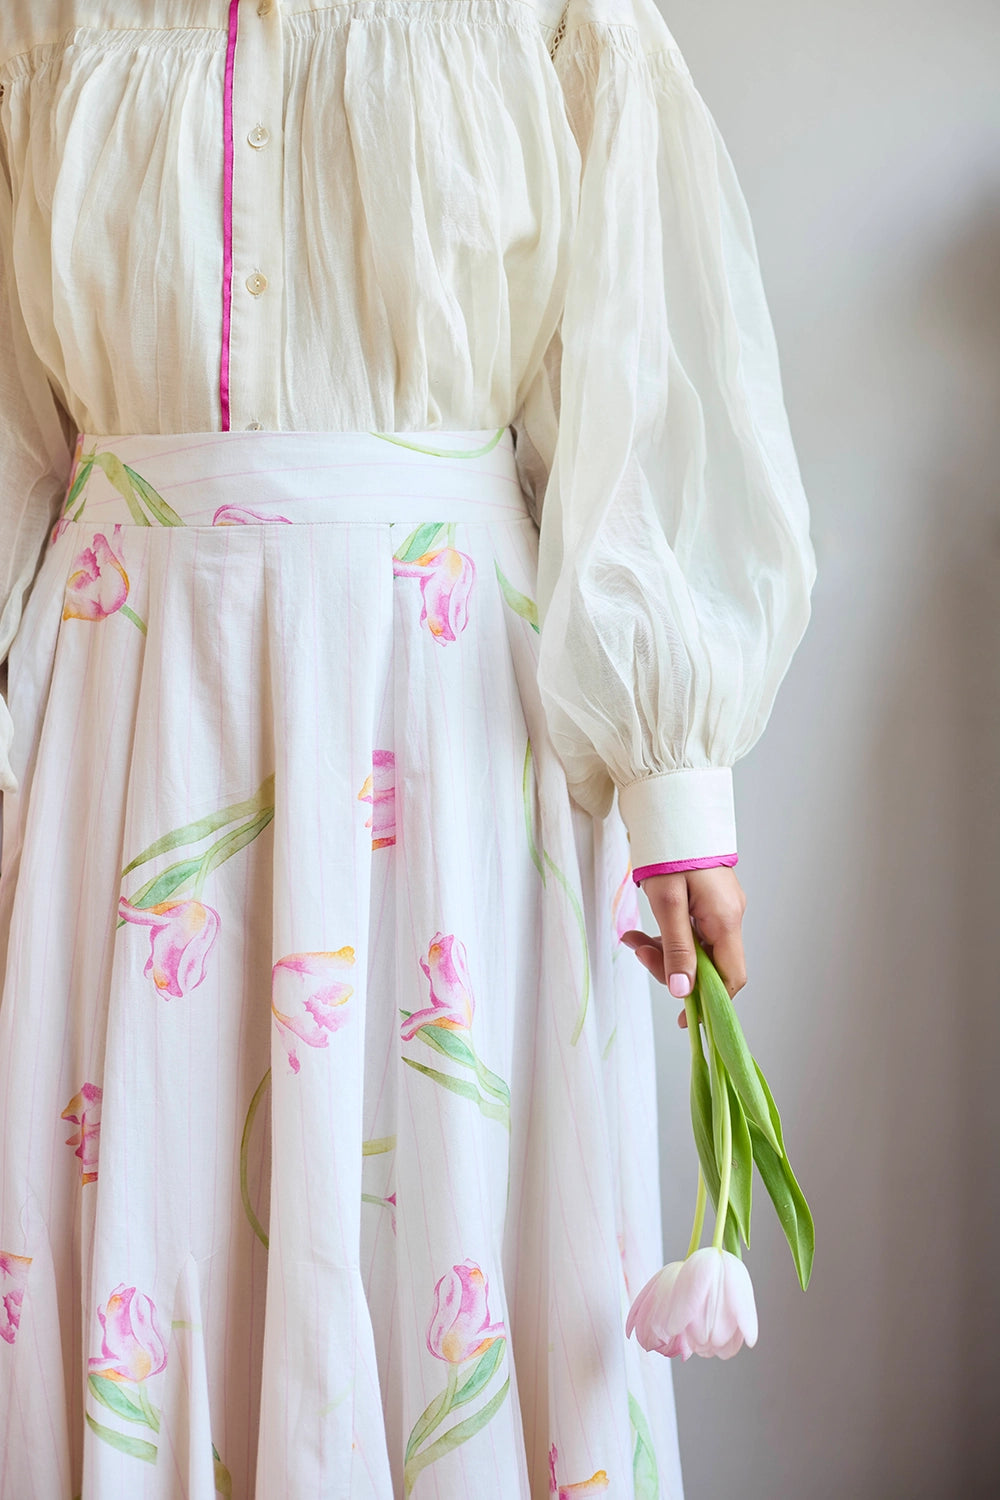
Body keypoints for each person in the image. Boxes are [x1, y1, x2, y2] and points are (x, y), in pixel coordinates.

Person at [0, 0, 815, 1496]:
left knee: (435, 1211)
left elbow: (635, 376)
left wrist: (672, 777)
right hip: (126, 719)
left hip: (442, 712)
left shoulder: (554, 17)